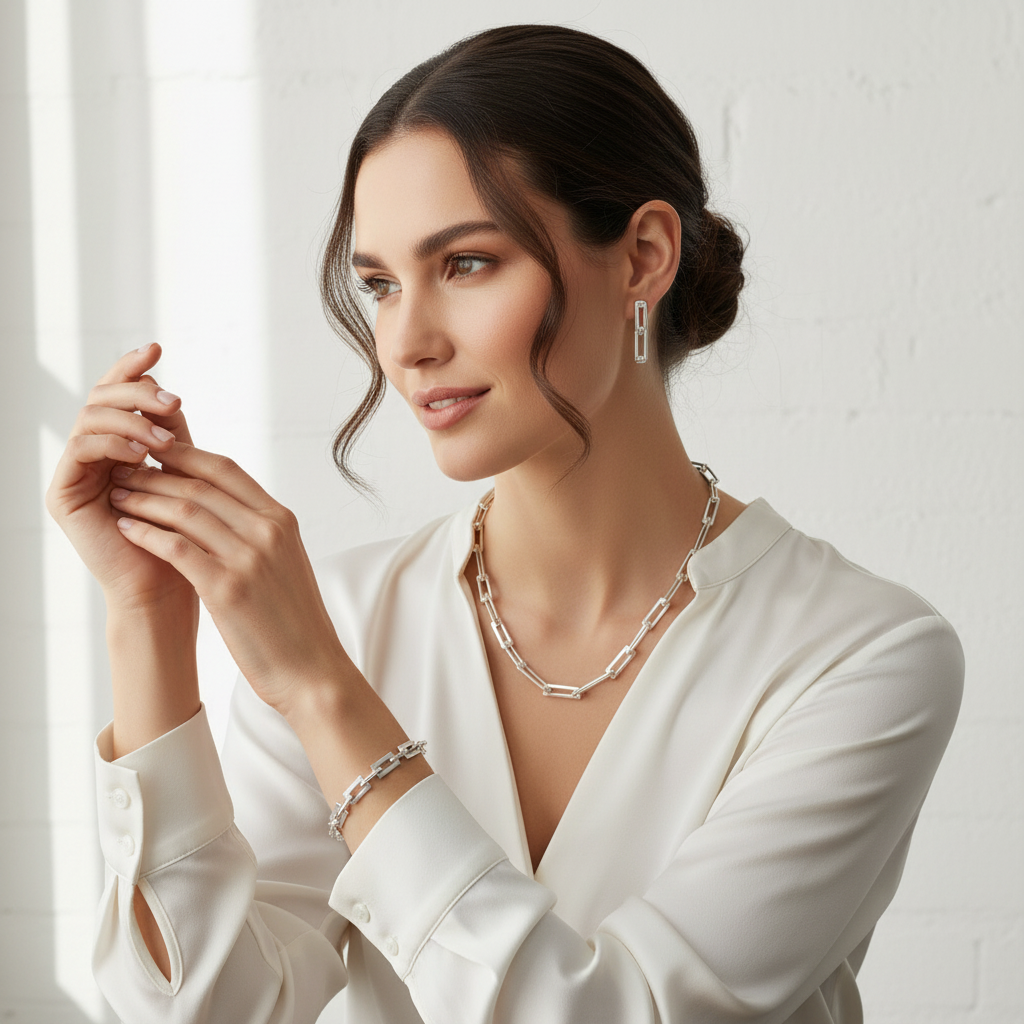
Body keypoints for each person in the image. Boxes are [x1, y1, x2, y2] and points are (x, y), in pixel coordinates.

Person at [46, 24, 963, 1024]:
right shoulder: (343, 616)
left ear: (643, 257)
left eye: (468, 264)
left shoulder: (859, 654)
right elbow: (203, 1010)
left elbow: (618, 1012)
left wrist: (322, 691)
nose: (405, 341)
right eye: (381, 284)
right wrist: (145, 616)